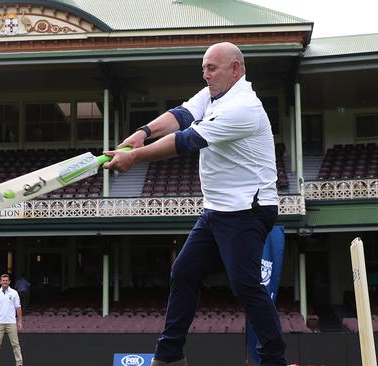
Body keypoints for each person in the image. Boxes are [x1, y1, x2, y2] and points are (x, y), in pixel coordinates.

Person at [104, 42, 286, 366]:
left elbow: (186, 140)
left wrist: (133, 157)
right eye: (203, 68)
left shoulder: (244, 106)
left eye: (211, 68)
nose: (205, 74)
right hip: (217, 210)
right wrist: (141, 132)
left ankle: (274, 360)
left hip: (248, 209)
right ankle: (169, 355)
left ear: (236, 69)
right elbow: (181, 116)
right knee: (184, 272)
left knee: (245, 286)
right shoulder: (214, 95)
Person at [0, 273, 23, 366]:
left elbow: (18, 308)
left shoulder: (14, 293)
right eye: (3, 280)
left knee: (15, 344)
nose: (5, 282)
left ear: (9, 282)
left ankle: (19, 363)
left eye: (6, 280)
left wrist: (19, 321)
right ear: (0, 282)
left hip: (11, 322)